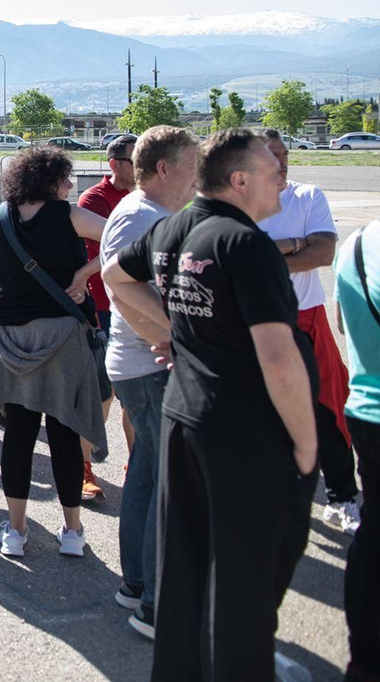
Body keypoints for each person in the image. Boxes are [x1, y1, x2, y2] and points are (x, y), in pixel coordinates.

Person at [102, 129, 319, 682]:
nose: (283, 180)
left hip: (186, 416)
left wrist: (177, 332)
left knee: (186, 567)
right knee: (247, 572)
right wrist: (307, 442)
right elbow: (277, 355)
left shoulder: (175, 227)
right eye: (274, 171)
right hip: (242, 426)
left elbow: (114, 277)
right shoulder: (246, 245)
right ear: (240, 179)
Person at [0, 145, 110, 558]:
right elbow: (128, 239)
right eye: (66, 179)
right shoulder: (66, 214)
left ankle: (16, 531)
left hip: (12, 336)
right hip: (62, 333)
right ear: (49, 180)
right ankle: (72, 531)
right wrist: (85, 273)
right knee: (65, 434)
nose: (71, 186)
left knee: (17, 436)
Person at [96, 126, 198, 638]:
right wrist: (178, 340)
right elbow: (125, 290)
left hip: (141, 364)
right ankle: (156, 604)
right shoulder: (145, 216)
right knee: (166, 484)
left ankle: (137, 584)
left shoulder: (146, 212)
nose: (199, 174)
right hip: (151, 366)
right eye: (192, 163)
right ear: (164, 168)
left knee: (147, 476)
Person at [262, 130, 361, 536]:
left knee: (326, 411)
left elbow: (323, 252)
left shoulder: (307, 196)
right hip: (254, 326)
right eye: (273, 156)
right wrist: (288, 246)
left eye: (285, 154)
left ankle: (342, 496)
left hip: (307, 318)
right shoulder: (232, 205)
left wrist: (260, 260)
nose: (283, 162)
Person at [76, 133, 136, 502]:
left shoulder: (149, 196)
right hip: (104, 308)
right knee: (101, 393)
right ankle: (82, 468)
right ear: (114, 164)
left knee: (138, 395)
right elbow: (117, 249)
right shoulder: (94, 200)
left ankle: (139, 466)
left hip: (141, 307)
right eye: (135, 159)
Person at [333, 219, 380, 681]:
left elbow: (344, 324)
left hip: (366, 406)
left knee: (372, 536)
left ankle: (363, 661)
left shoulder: (360, 242)